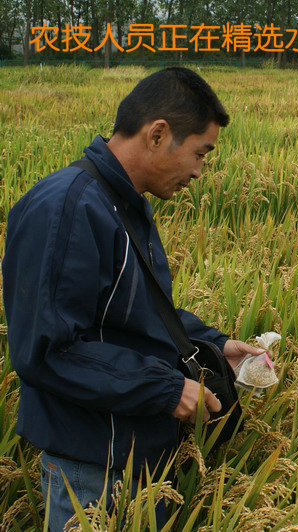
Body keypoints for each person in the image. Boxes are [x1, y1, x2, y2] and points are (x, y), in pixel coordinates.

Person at [2, 67, 269, 530]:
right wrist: (166, 389)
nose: (199, 172)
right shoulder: (68, 208)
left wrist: (216, 343)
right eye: (199, 153)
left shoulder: (122, 202)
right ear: (157, 133)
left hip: (136, 454)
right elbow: (47, 350)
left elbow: (136, 311)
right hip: (92, 470)